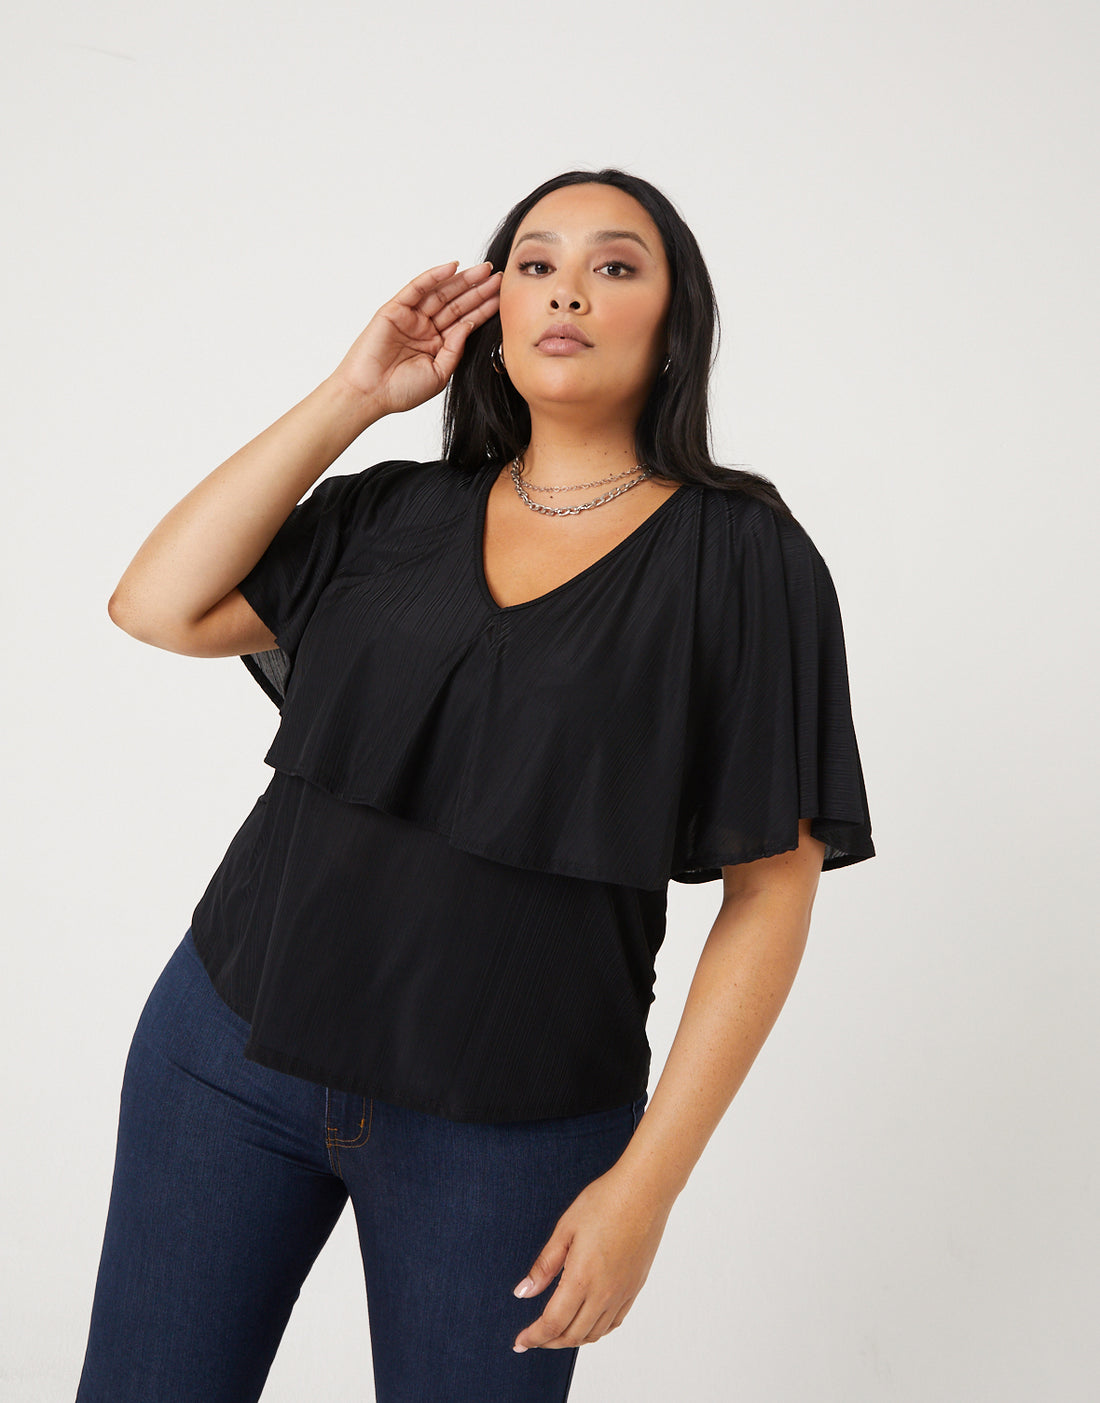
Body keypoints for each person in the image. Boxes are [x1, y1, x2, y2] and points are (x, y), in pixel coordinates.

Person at [76, 168, 875, 1403]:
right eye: (535, 264)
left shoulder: (741, 557)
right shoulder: (396, 511)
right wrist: (353, 395)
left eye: (614, 266)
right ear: (494, 313)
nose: (567, 289)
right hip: (227, 1054)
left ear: (674, 323)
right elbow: (156, 603)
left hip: (508, 1129)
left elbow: (771, 891)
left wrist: (645, 1184)